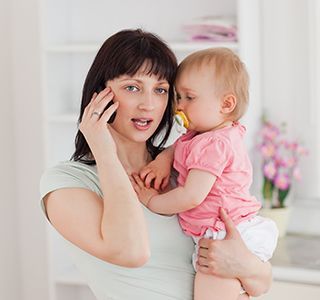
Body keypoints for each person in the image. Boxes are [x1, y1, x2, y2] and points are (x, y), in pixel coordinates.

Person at [40, 29, 273, 300]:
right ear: (99, 94)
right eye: (132, 87)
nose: (148, 104)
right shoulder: (66, 183)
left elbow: (262, 281)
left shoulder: (184, 166)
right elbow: (131, 251)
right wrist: (104, 150)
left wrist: (245, 264)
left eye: (161, 90)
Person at [131, 48, 278, 300]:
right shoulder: (206, 135)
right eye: (178, 96)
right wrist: (165, 158)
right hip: (225, 232)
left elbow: (191, 196)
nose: (179, 105)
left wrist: (151, 201)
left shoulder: (214, 144)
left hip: (224, 235)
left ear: (226, 104)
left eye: (189, 97)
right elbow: (182, 145)